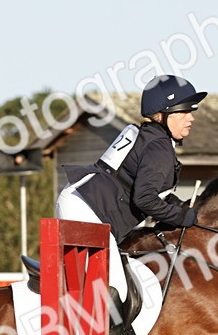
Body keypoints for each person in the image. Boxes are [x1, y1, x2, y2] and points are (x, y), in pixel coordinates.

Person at [55, 74, 205, 308]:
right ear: (163, 114)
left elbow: (143, 189)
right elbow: (144, 199)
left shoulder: (148, 136)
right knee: (118, 289)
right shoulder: (159, 146)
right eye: (184, 111)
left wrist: (176, 205)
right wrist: (183, 217)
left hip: (80, 201)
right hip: (87, 211)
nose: (191, 118)